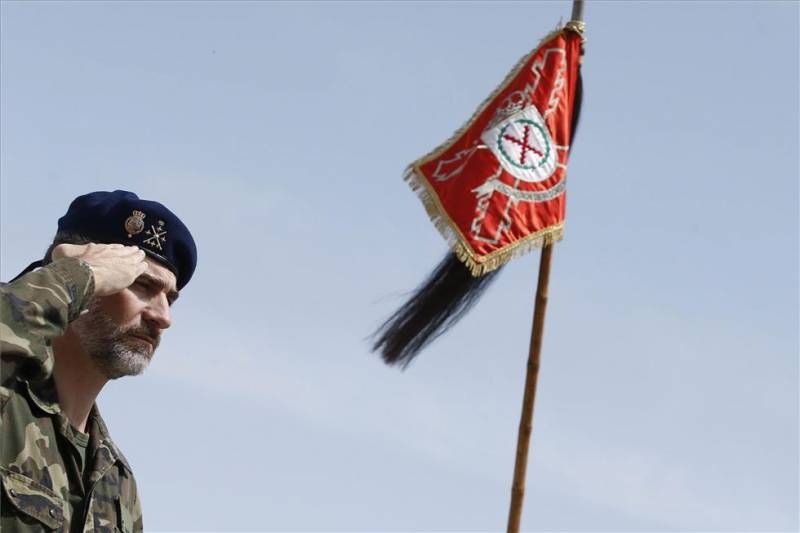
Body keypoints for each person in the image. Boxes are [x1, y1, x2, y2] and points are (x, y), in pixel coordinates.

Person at [1, 190, 197, 532]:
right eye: (141, 284)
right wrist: (75, 275)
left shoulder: (116, 481)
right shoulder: (8, 396)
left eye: (170, 298)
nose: (163, 316)